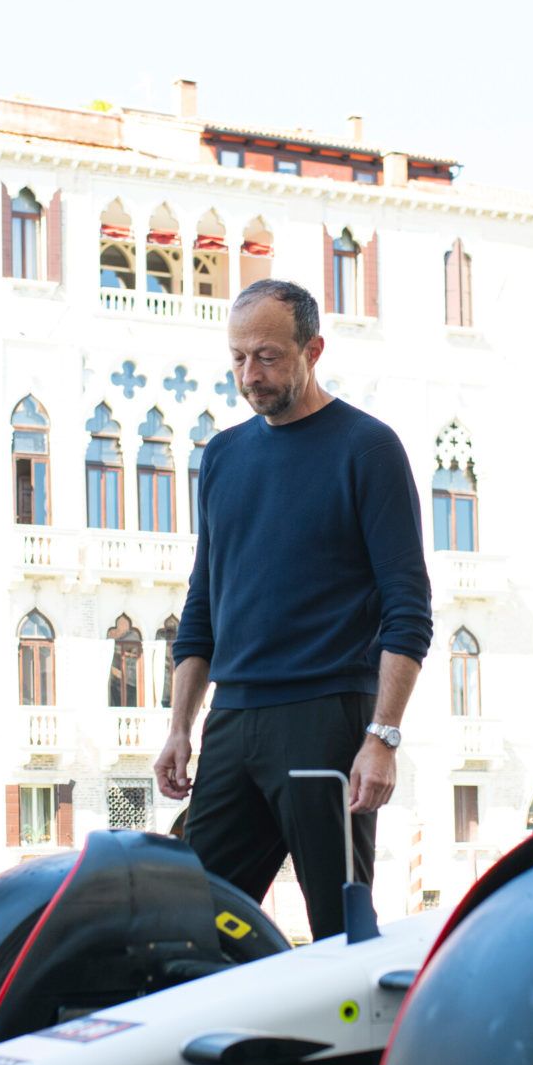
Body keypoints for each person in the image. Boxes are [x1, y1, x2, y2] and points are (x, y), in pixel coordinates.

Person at [155, 279, 431, 935]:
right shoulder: (222, 456)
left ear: (313, 349)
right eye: (238, 357)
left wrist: (383, 737)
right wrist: (180, 727)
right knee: (191, 926)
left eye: (268, 356)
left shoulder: (367, 447)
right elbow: (203, 603)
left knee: (339, 928)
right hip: (232, 721)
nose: (250, 375)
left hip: (326, 719)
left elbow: (409, 607)